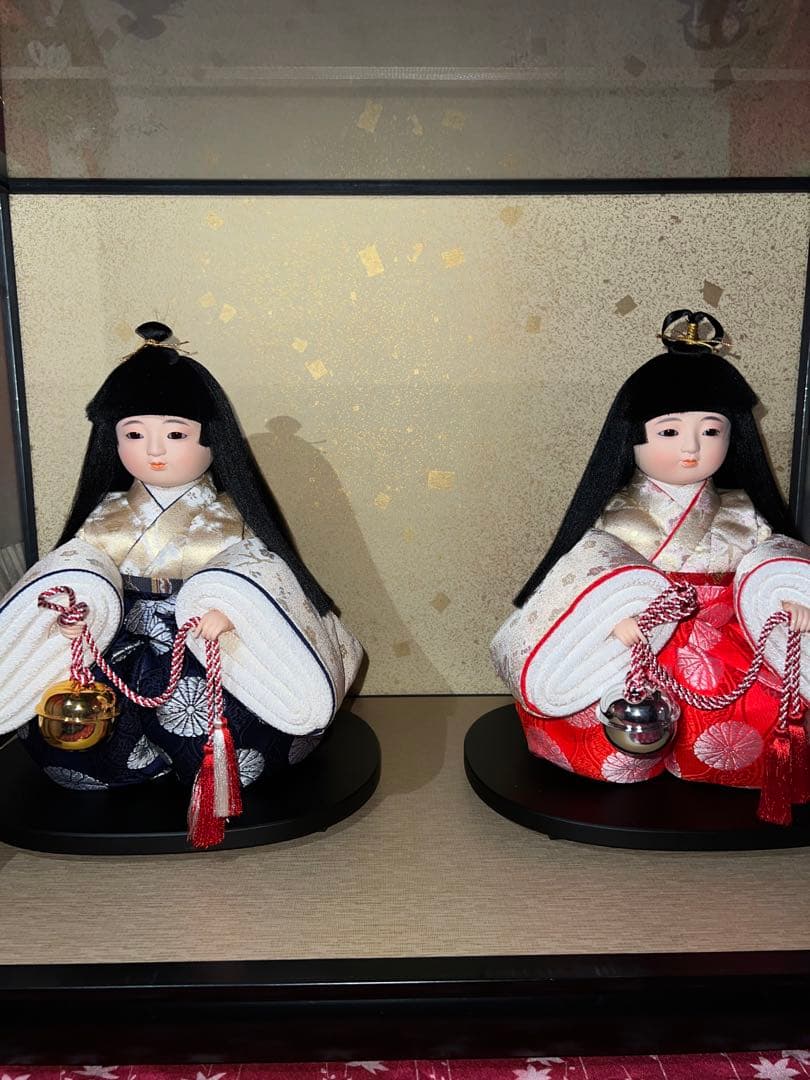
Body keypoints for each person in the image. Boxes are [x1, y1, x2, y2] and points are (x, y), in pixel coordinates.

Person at [0, 322, 362, 793]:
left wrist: (232, 610)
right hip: (122, 629)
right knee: (82, 722)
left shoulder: (228, 516)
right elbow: (82, 569)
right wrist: (78, 613)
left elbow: (256, 572)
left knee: (216, 717)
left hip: (196, 632)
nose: (153, 450)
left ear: (212, 439)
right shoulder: (107, 515)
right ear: (113, 441)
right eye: (134, 434)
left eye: (174, 434)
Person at [491, 310, 810, 789]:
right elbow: (586, 575)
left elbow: (771, 562)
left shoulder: (744, 512)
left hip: (725, 638)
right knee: (600, 713)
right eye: (669, 432)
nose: (692, 448)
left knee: (762, 708)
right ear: (632, 439)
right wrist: (610, 616)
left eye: (711, 431)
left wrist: (787, 597)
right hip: (639, 638)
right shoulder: (616, 513)